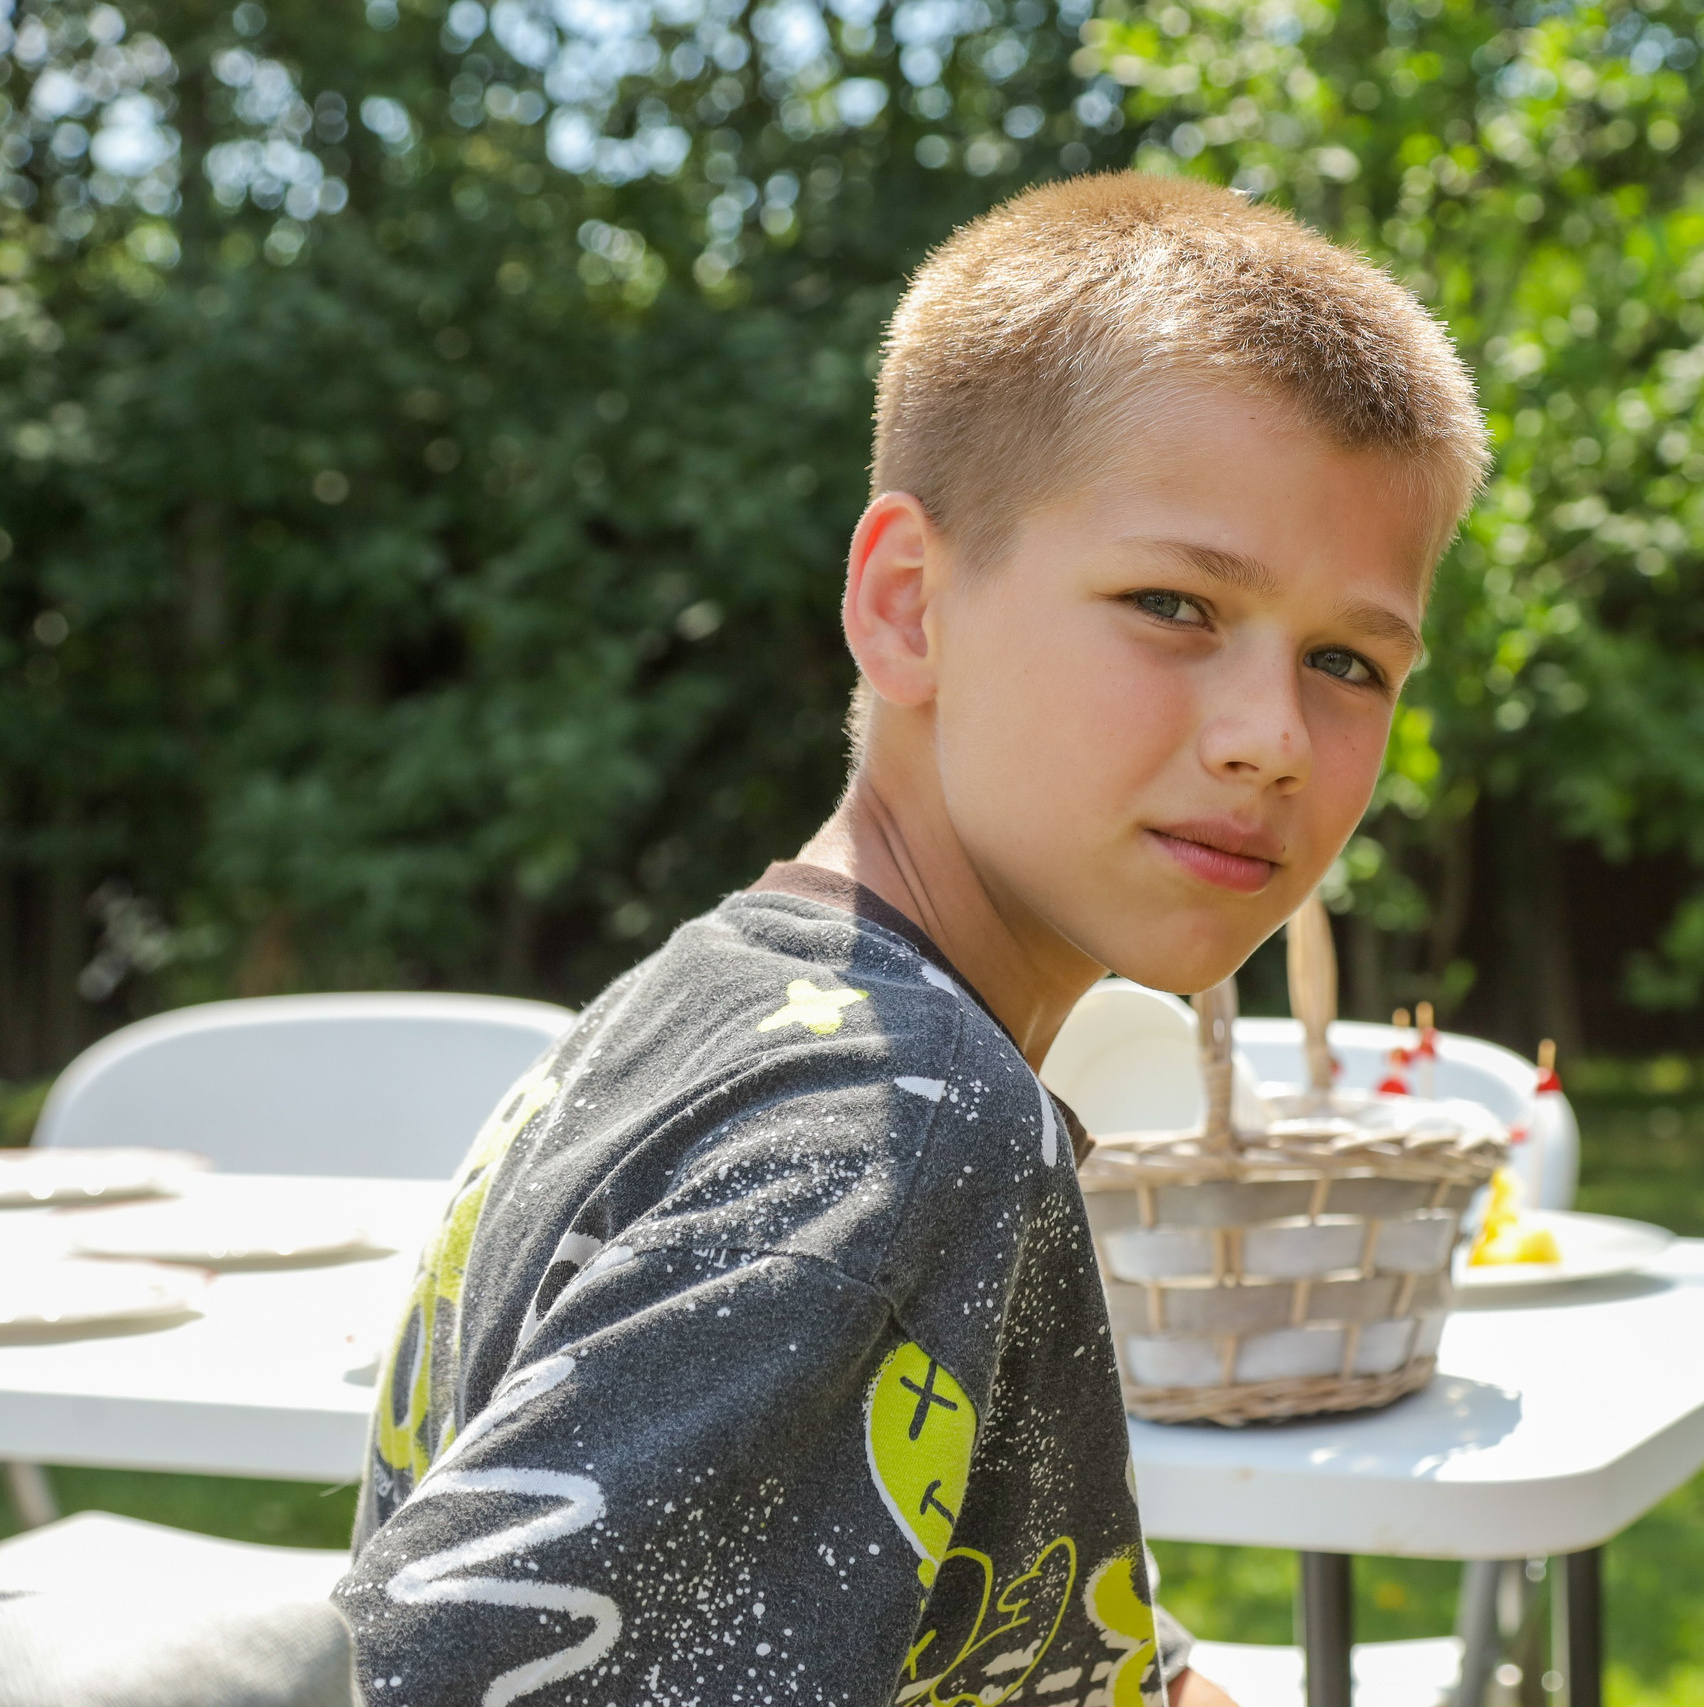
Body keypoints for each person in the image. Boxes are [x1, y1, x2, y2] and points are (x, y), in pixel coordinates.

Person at [330, 171, 1489, 1707]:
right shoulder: (900, 1132)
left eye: (1349, 660)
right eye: (1175, 604)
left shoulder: (712, 1001)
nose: (1273, 737)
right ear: (908, 604)